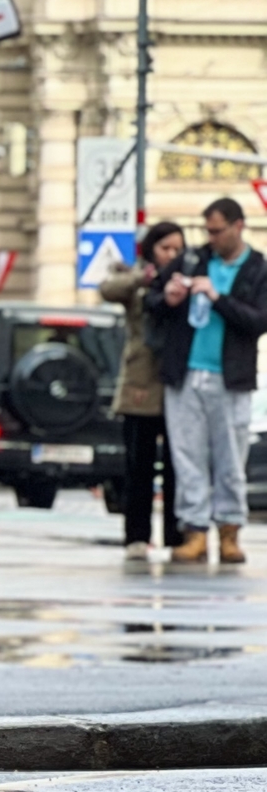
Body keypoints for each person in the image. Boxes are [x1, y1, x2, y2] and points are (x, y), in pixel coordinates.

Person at [149, 195, 267, 564]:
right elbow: (150, 301)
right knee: (187, 456)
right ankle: (195, 530)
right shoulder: (193, 258)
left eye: (217, 231)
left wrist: (217, 297)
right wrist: (168, 296)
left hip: (230, 377)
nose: (211, 238)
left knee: (230, 457)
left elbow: (258, 322)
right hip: (185, 373)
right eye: (208, 231)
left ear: (237, 227)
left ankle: (230, 531)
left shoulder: (258, 269)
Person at [102, 221, 186, 560]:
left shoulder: (186, 279)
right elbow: (108, 288)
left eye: (178, 249)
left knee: (178, 468)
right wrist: (143, 277)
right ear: (151, 249)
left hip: (179, 385)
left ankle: (175, 535)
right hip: (140, 384)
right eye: (166, 248)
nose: (172, 255)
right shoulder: (139, 281)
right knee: (138, 467)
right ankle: (136, 537)